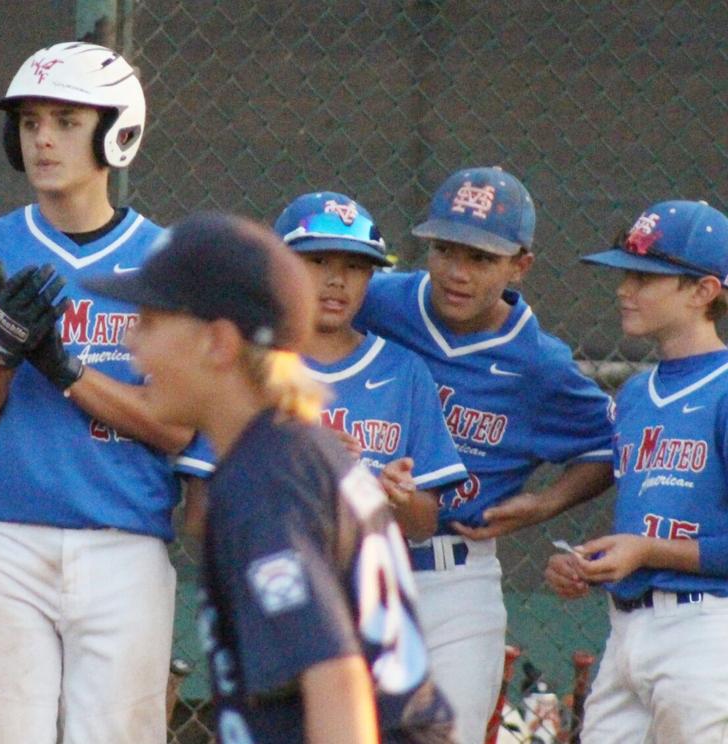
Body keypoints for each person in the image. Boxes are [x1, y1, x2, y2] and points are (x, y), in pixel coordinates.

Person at [0, 42, 211, 743]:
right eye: (30, 122)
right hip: (2, 542)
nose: (43, 138)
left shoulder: (167, 263)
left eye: (67, 120)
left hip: (122, 544)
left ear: (118, 132)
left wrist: (64, 369)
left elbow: (174, 430)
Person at [84, 211, 454, 743]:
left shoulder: (267, 480)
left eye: (151, 322)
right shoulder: (292, 452)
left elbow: (337, 678)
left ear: (218, 342)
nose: (134, 347)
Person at [351, 166, 615, 743]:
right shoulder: (378, 302)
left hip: (453, 579)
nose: (457, 272)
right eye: (445, 250)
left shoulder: (538, 363)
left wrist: (545, 504)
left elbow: (608, 448)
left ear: (520, 265)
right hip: (349, 556)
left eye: (481, 257)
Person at [546, 200, 728, 743]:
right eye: (627, 274)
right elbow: (648, 524)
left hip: (707, 632)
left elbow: (650, 543)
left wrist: (648, 552)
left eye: (648, 277)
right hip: (626, 628)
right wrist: (593, 565)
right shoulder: (632, 396)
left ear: (703, 291)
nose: (626, 289)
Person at [274, 191, 468, 541]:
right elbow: (202, 513)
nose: (337, 280)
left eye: (355, 266)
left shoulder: (403, 370)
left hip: (367, 579)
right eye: (318, 261)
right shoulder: (245, 366)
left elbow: (423, 525)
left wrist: (394, 496)